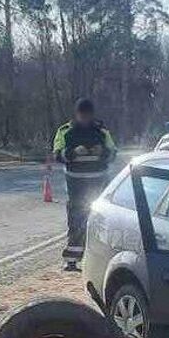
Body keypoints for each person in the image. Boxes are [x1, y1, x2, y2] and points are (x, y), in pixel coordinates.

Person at [52, 98, 117, 271]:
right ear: (77, 114)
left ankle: (97, 260)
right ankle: (72, 260)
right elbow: (57, 154)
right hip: (76, 184)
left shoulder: (101, 131)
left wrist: (102, 151)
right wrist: (72, 152)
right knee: (76, 220)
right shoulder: (65, 131)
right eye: (82, 115)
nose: (85, 118)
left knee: (98, 221)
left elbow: (113, 153)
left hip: (99, 183)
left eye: (88, 115)